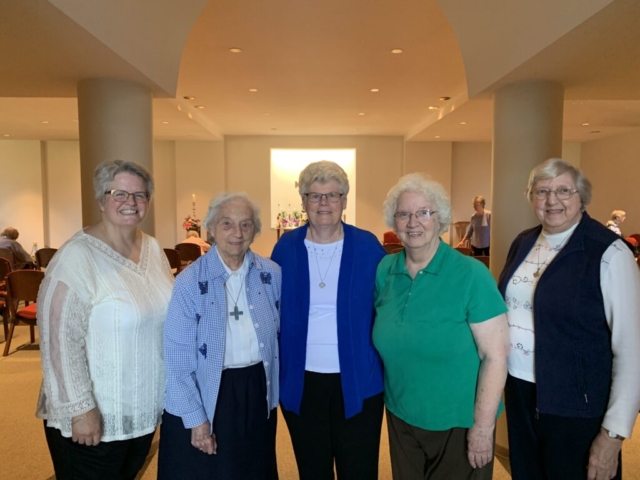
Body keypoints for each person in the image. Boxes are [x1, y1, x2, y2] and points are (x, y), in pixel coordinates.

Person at [498, 158, 640, 480]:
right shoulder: (523, 242)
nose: (552, 200)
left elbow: (632, 351)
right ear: (531, 196)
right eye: (542, 191)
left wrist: (613, 435)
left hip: (578, 406)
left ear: (582, 197)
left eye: (564, 190)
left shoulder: (609, 252)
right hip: (521, 393)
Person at [36, 160, 174, 479]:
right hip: (92, 417)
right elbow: (59, 339)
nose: (131, 202)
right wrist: (80, 409)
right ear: (101, 199)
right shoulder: (77, 256)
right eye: (119, 193)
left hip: (139, 410)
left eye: (140, 195)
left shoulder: (153, 248)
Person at [374, 173, 509, 480]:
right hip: (401, 416)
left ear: (440, 219)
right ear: (394, 223)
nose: (413, 222)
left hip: (459, 422)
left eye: (423, 213)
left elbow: (496, 356)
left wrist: (483, 428)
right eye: (403, 214)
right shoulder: (385, 270)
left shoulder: (471, 274)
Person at [272, 160, 386, 480]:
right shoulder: (286, 247)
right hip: (302, 381)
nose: (324, 204)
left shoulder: (366, 245)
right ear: (304, 201)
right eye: (315, 195)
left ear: (345, 201)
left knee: (359, 469)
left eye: (332, 195)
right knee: (313, 469)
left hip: (359, 380)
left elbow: (385, 304)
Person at [159, 192, 281, 480]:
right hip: (207, 390)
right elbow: (177, 360)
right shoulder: (189, 282)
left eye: (246, 225)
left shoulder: (272, 274)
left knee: (252, 469)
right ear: (211, 228)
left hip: (255, 390)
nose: (237, 233)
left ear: (255, 230)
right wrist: (197, 420)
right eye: (227, 224)